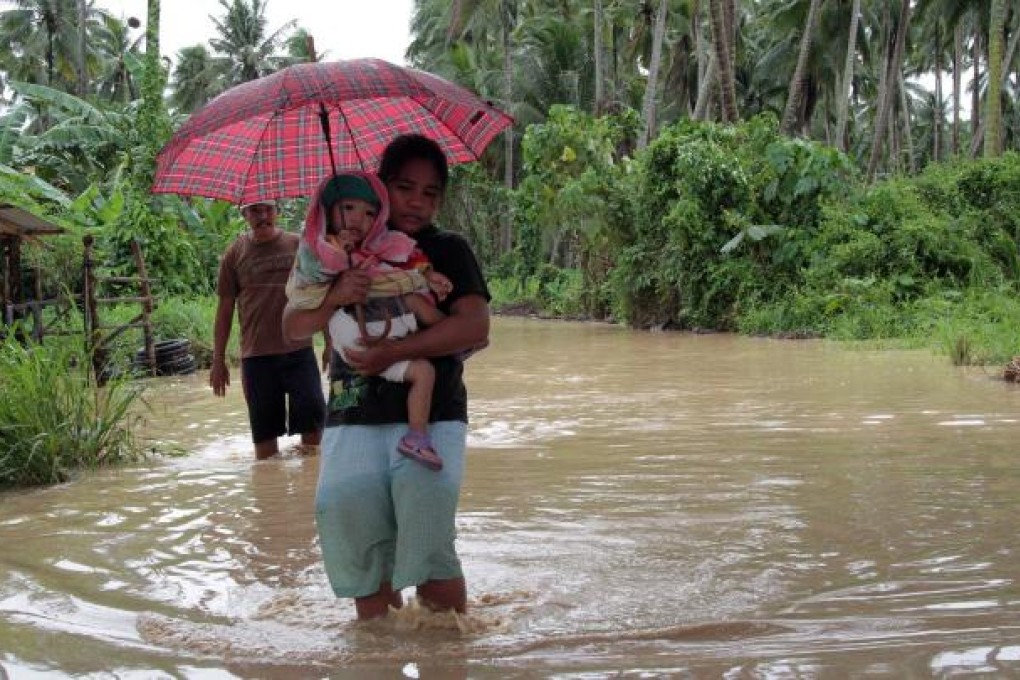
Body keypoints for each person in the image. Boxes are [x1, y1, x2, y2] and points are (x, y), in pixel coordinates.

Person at [282, 134, 490, 620]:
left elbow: (475, 326)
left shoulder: (448, 249)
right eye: (404, 187)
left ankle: (447, 656)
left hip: (431, 417)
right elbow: (291, 329)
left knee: (430, 547)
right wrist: (335, 296)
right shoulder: (328, 252)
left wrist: (394, 351)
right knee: (359, 548)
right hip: (352, 415)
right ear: (381, 186)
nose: (418, 202)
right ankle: (375, 658)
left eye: (431, 192)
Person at [285, 171, 452, 471]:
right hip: (351, 397)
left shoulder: (381, 246)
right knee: (422, 349)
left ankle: (417, 432)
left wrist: (426, 275)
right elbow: (292, 327)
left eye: (369, 213)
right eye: (348, 208)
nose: (357, 219)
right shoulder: (318, 251)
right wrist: (337, 294)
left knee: (421, 311)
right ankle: (418, 434)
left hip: (383, 335)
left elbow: (402, 261)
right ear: (328, 210)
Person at [211, 199, 326, 460]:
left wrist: (330, 344)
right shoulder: (234, 254)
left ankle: (306, 495)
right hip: (257, 358)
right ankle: (268, 498)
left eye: (268, 209)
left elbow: (320, 295)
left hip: (300, 352)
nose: (263, 216)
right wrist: (218, 359)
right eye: (255, 210)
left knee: (314, 441)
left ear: (277, 211)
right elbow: (225, 310)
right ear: (244, 214)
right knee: (264, 450)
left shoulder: (299, 246)